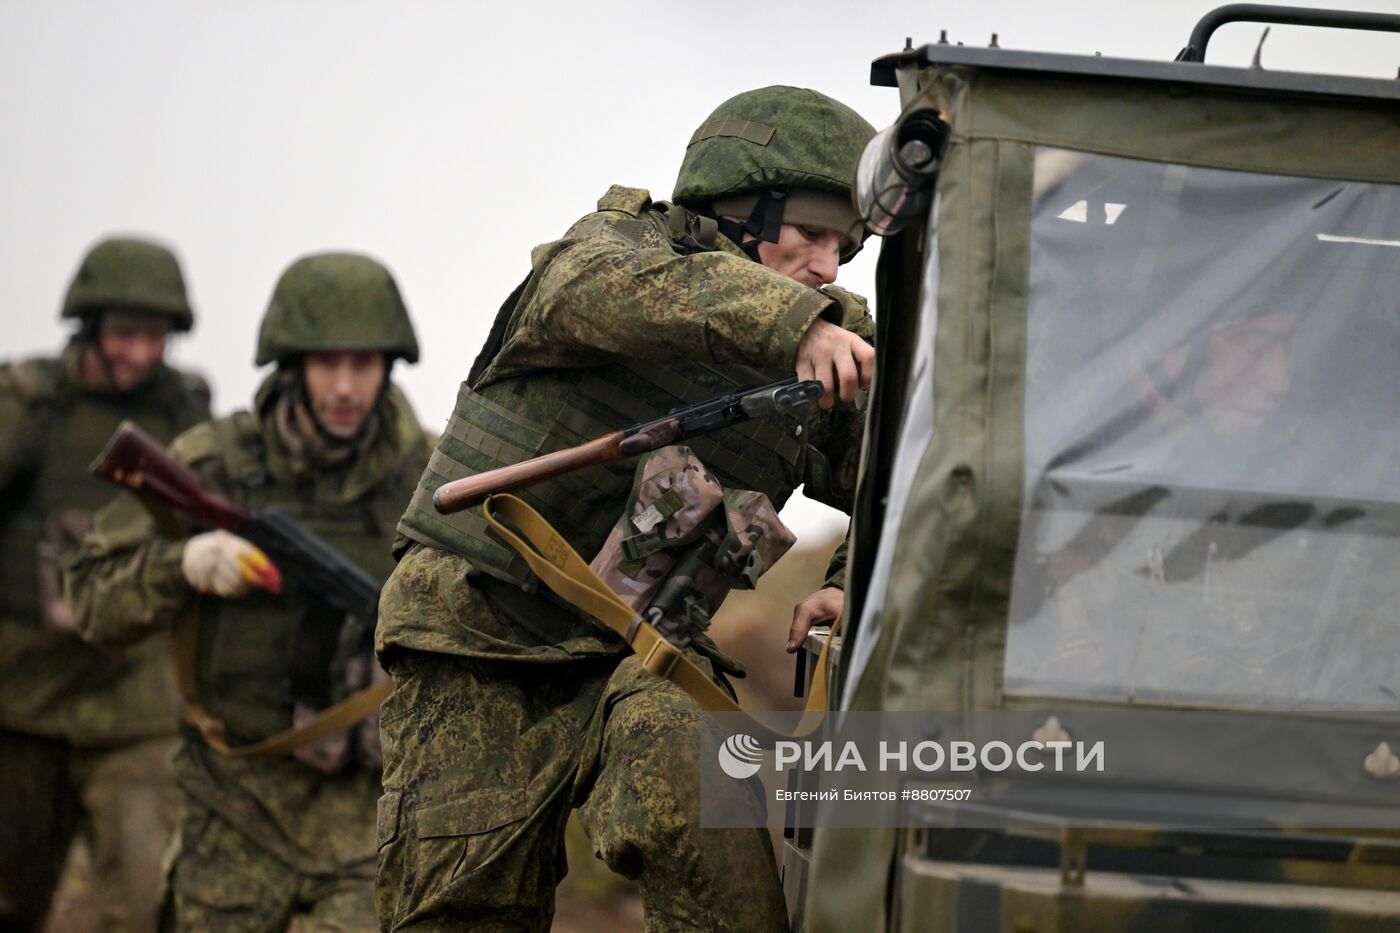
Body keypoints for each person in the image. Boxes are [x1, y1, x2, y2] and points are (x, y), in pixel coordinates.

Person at [374, 85, 877, 931]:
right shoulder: (610, 254)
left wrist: (851, 580)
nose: (828, 267)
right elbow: (597, 288)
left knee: (724, 859)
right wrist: (791, 325)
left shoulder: (834, 341)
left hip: (646, 656)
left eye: (846, 248)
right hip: (480, 638)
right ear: (741, 208)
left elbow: (917, 478)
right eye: (812, 235)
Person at [66, 252, 433, 931]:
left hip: (369, 818)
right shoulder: (217, 462)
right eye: (328, 364)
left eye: (364, 364)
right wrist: (181, 564)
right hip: (231, 809)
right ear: (290, 366)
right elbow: (89, 594)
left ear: (390, 364)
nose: (347, 388)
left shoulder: (431, 479)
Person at [0, 236, 210, 932]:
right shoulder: (28, 404)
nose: (139, 353)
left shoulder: (184, 417)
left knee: (148, 903)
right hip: (20, 703)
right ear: (88, 325)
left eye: (155, 337)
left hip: (134, 708)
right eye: (124, 333)